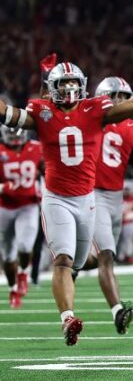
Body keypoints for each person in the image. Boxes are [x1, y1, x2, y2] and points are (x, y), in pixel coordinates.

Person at [0, 52, 133, 345]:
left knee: (84, 261)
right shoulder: (41, 110)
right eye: (63, 83)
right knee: (63, 259)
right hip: (57, 198)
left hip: (87, 199)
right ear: (51, 87)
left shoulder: (95, 109)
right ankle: (68, 318)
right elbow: (8, 113)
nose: (70, 88)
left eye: (74, 82)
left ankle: (82, 293)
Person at [85, 76, 133, 334]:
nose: (118, 101)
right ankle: (117, 310)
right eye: (113, 96)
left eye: (124, 97)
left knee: (103, 258)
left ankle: (68, 266)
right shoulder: (91, 118)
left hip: (115, 197)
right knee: (106, 255)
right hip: (91, 194)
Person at [0, 127, 43, 308]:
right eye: (10, 135)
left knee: (25, 245)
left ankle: (24, 272)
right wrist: (2, 188)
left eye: (16, 135)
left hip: (28, 205)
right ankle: (13, 288)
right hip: (4, 207)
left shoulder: (37, 148)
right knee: (8, 256)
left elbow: (48, 171)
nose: (14, 139)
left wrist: (44, 189)